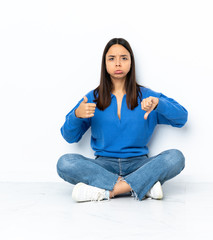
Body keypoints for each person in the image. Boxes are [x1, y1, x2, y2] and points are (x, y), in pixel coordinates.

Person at [57, 38, 188, 202]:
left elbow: (182, 118)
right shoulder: (92, 98)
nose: (118, 63)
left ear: (131, 63)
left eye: (124, 58)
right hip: (104, 166)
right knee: (65, 163)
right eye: (112, 58)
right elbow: (69, 137)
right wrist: (76, 115)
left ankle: (108, 191)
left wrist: (159, 104)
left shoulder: (147, 96)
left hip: (139, 165)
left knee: (175, 157)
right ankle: (142, 186)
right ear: (105, 64)